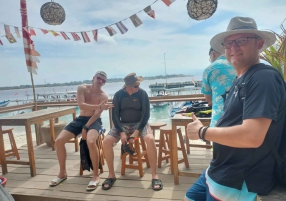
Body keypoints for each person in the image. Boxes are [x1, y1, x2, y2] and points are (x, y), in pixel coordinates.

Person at [185, 16, 286, 201]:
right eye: (229, 42)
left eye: (242, 41)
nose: (234, 47)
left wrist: (201, 132)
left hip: (239, 178)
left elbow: (252, 136)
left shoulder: (263, 78)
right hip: (218, 169)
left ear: (259, 43)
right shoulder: (241, 79)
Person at [50, 71, 113, 191]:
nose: (100, 81)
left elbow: (96, 114)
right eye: (99, 78)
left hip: (94, 121)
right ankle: (62, 173)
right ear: (93, 78)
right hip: (80, 119)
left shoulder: (103, 96)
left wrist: (86, 127)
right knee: (58, 141)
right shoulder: (82, 88)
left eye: (103, 80)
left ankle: (95, 175)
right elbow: (81, 105)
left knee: (90, 141)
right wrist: (99, 106)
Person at [102, 73, 163, 191]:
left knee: (150, 139)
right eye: (136, 86)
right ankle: (111, 175)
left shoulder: (142, 94)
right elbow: (115, 116)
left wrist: (136, 132)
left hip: (139, 123)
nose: (138, 87)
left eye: (139, 85)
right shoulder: (118, 95)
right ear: (128, 86)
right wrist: (121, 132)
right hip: (122, 124)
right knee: (106, 141)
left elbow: (146, 115)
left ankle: (155, 175)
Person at [201, 47, 236, 127]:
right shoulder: (239, 64)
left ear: (212, 54)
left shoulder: (209, 69)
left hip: (219, 120)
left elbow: (208, 97)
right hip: (242, 121)